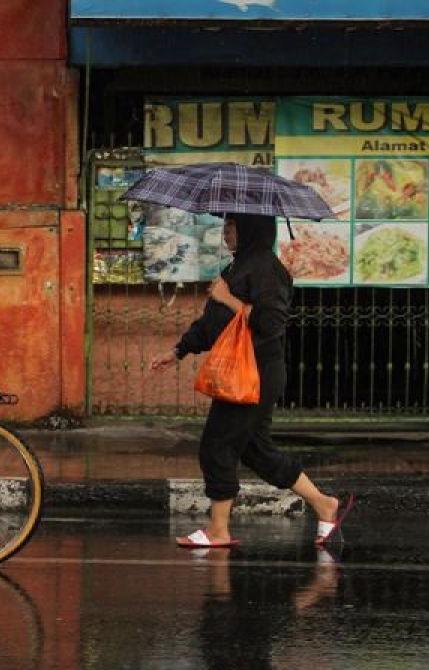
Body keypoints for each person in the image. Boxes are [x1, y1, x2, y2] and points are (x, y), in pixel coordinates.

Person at [149, 213, 353, 548]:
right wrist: (179, 350)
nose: (225, 231)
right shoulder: (240, 265)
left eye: (231, 225)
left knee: (217, 445)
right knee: (257, 451)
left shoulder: (266, 269)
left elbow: (270, 323)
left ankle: (218, 530)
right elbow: (215, 322)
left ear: (250, 229)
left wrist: (227, 298)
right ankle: (323, 503)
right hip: (246, 373)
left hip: (254, 374)